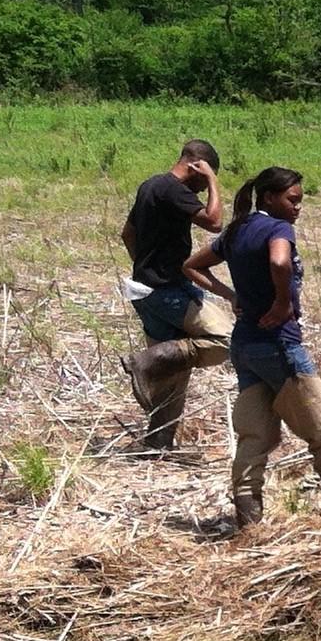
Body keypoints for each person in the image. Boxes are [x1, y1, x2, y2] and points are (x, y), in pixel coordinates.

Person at [185, 167, 321, 527]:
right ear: (269, 197)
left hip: (245, 347)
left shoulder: (238, 229)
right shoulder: (277, 229)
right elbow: (279, 261)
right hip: (278, 345)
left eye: (300, 200)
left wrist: (230, 295)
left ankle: (249, 523)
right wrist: (283, 302)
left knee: (254, 436)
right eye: (292, 199)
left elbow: (191, 265)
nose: (298, 207)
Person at [118, 138, 231, 450]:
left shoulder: (149, 186)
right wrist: (212, 180)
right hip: (168, 289)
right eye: (202, 177)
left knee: (173, 368)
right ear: (195, 166)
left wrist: (145, 265)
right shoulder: (174, 188)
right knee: (225, 338)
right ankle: (145, 361)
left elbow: (127, 233)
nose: (198, 191)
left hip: (144, 289)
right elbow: (215, 222)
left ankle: (158, 442)